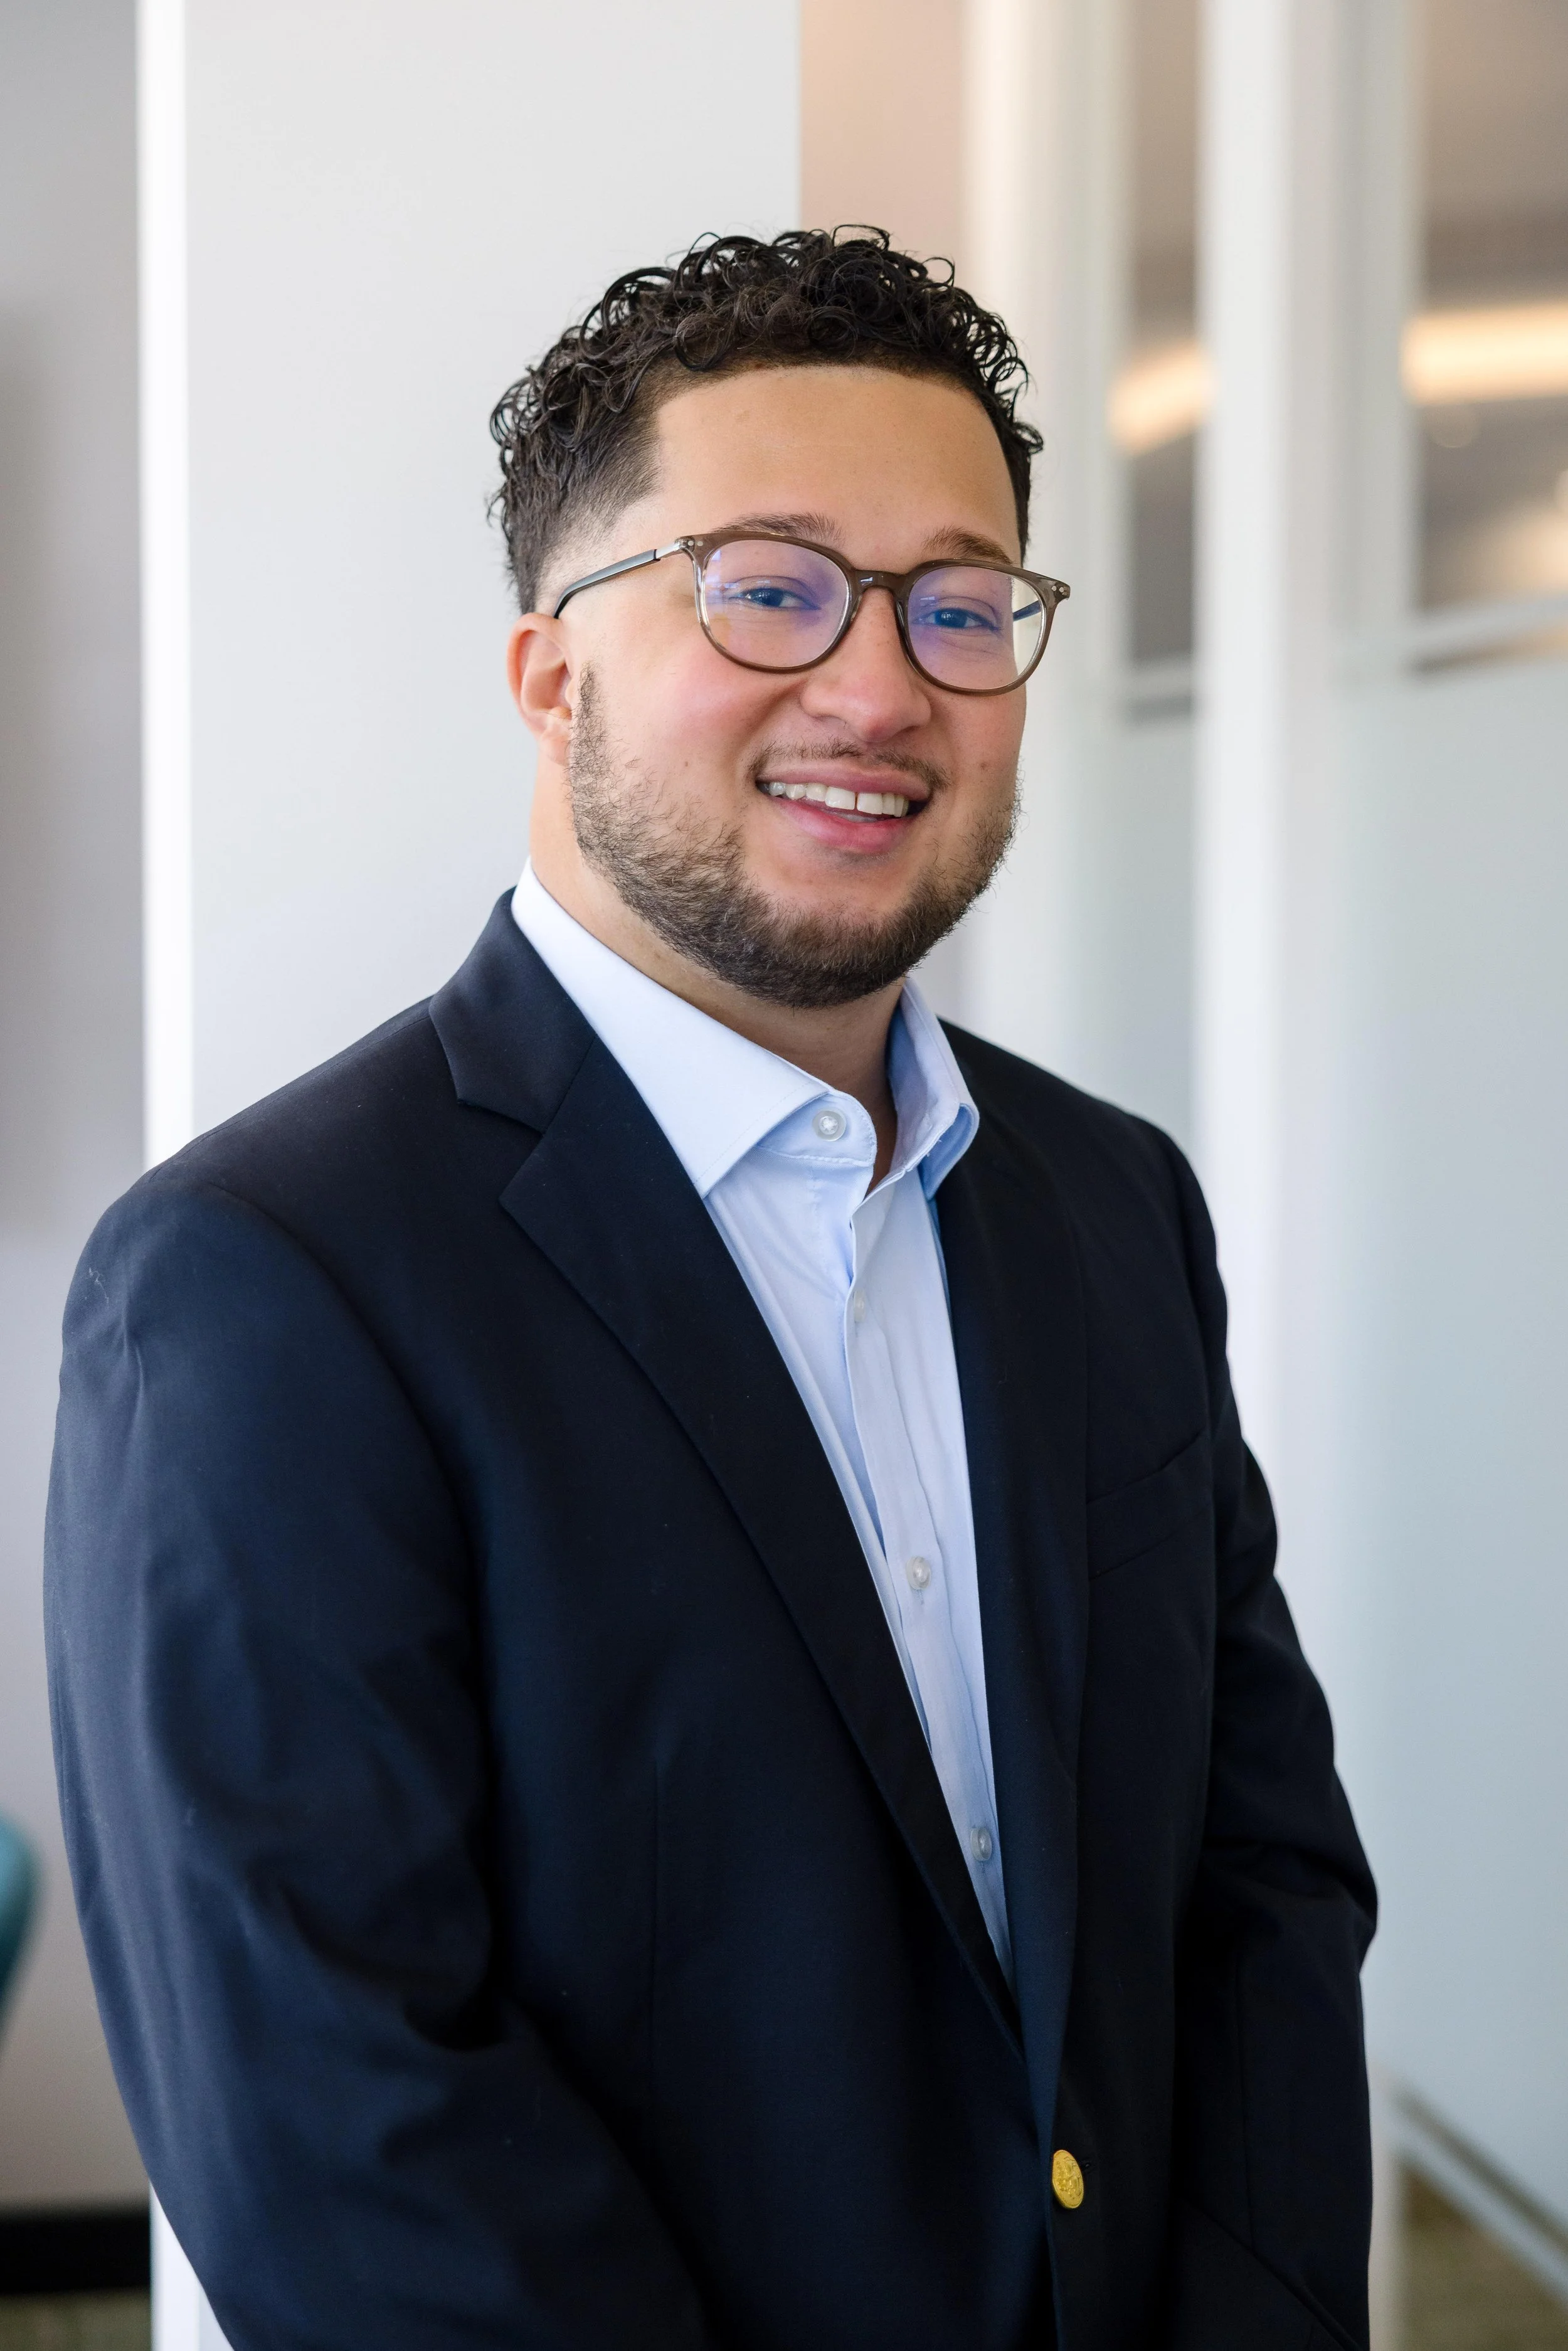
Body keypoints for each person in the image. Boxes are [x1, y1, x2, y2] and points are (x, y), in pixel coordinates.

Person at [46, 230, 1375, 2351]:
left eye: (961, 607)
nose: (879, 685)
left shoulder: (1109, 1203)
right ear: (551, 675)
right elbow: (340, 2108)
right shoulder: (259, 1281)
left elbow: (1263, 1879)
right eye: (767, 585)